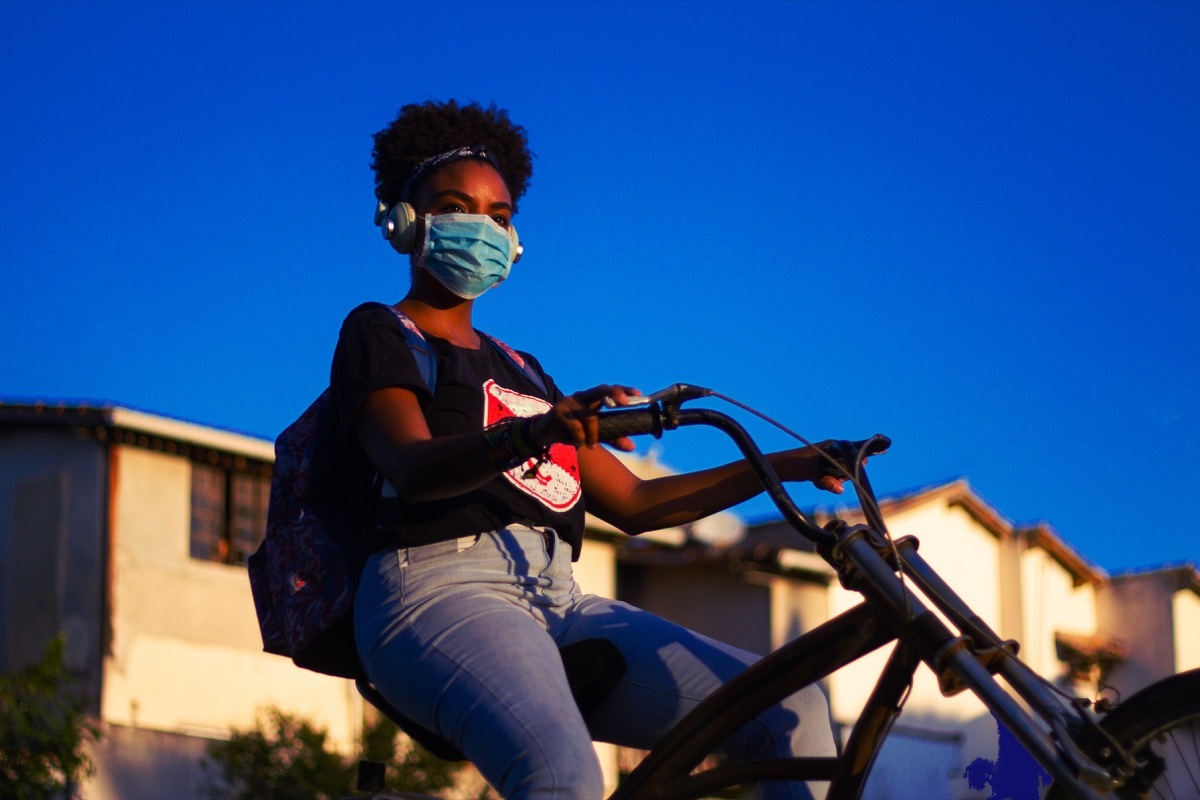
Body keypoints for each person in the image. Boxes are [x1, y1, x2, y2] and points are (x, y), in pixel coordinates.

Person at [321, 99, 845, 800]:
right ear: (405, 223)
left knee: (790, 707)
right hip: (433, 591)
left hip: (557, 598)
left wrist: (795, 464)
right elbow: (410, 466)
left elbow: (634, 501)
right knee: (563, 777)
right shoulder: (383, 334)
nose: (481, 228)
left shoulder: (526, 370)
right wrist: (537, 431)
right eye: (455, 206)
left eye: (499, 216)